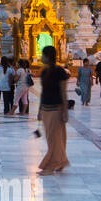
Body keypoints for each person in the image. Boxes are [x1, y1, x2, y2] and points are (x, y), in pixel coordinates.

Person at [37, 45, 69, 175]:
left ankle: (50, 166)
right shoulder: (44, 72)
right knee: (52, 138)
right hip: (46, 109)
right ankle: (60, 161)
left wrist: (65, 111)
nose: (41, 57)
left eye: (43, 55)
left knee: (55, 139)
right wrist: (39, 110)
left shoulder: (60, 72)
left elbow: (63, 92)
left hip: (56, 109)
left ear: (48, 56)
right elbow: (43, 91)